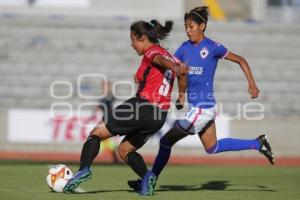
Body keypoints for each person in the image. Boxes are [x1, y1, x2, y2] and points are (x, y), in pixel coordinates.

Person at [128, 6, 275, 195]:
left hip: (203, 108)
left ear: (202, 26)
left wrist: (252, 85)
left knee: (165, 141)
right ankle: (258, 143)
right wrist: (150, 78)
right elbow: (172, 67)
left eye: (191, 27)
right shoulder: (183, 48)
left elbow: (241, 60)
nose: (188, 31)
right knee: (212, 147)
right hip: (199, 109)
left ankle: (148, 181)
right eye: (186, 27)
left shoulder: (213, 47)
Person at [63, 19, 189, 194]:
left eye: (133, 39)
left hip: (142, 107)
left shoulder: (152, 52)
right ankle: (147, 179)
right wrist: (181, 96)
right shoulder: (170, 55)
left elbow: (160, 61)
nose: (132, 45)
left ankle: (84, 170)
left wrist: (172, 67)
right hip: (159, 116)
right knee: (124, 150)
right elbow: (181, 72)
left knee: (96, 133)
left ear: (143, 37)